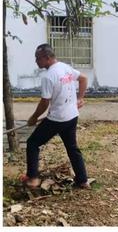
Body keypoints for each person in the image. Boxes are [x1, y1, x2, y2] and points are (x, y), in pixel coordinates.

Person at [23, 44, 90, 189]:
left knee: (32, 143)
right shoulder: (65, 68)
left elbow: (44, 102)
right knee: (72, 148)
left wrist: (34, 117)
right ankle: (83, 181)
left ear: (47, 58)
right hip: (72, 116)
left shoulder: (48, 76)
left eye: (38, 58)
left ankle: (33, 178)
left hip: (57, 119)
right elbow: (84, 78)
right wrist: (78, 99)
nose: (36, 61)